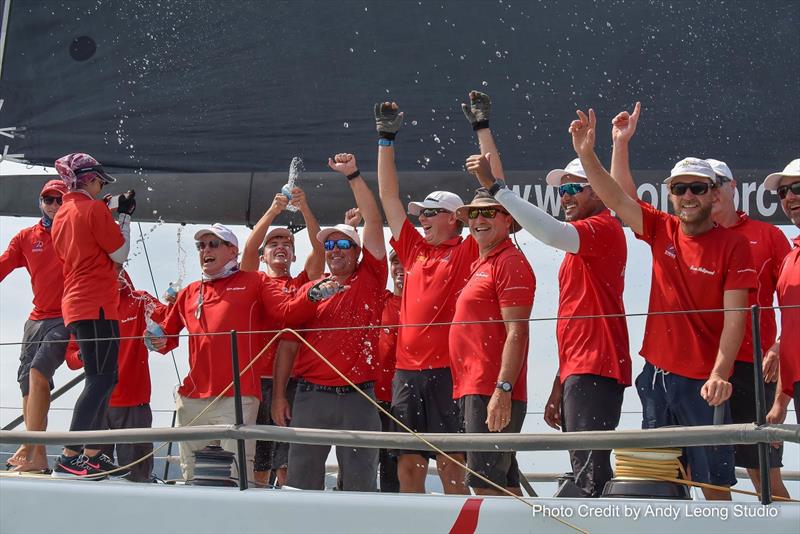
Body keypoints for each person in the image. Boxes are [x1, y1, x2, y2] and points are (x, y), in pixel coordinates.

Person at [572, 109, 757, 500]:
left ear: (714, 193)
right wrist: (593, 153)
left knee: (712, 486)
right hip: (656, 378)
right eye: (680, 188)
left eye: (698, 188)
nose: (688, 196)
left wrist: (720, 373)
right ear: (670, 194)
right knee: (659, 483)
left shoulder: (734, 244)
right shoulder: (662, 228)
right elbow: (616, 196)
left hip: (703, 383)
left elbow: (735, 316)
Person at [611, 106, 790, 497]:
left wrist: (778, 351)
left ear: (726, 188)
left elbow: (788, 302)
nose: (691, 193)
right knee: (684, 472)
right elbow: (624, 201)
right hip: (698, 370)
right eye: (681, 188)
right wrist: (618, 146)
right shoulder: (673, 230)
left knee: (760, 471)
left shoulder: (764, 235)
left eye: (708, 183)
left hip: (749, 370)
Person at [463, 91, 631, 498]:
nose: (566, 194)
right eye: (562, 189)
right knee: (583, 472)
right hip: (581, 368)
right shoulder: (583, 243)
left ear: (597, 191)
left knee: (590, 478)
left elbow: (542, 226)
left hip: (597, 368)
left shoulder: (602, 228)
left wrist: (497, 188)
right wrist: (559, 381)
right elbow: (577, 318)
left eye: (575, 187)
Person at [147, 223, 344, 482]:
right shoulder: (190, 291)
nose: (205, 249)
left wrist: (313, 294)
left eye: (213, 244)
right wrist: (153, 338)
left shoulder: (254, 281)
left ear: (232, 251)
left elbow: (287, 312)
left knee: (239, 475)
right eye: (201, 245)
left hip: (237, 397)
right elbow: (167, 337)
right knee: (192, 477)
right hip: (192, 397)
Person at [375, 101, 475, 495]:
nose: (423, 219)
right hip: (406, 372)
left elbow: (493, 207)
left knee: (453, 463)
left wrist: (481, 129)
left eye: (432, 213)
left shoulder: (467, 250)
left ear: (456, 218)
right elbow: (389, 196)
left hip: (447, 372)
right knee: (408, 462)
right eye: (422, 213)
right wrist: (386, 138)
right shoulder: (414, 249)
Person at [274, 153, 387, 492]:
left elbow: (374, 219)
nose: (335, 250)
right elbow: (287, 339)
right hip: (311, 398)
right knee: (300, 488)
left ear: (357, 251)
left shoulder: (371, 278)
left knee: (361, 487)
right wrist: (279, 396)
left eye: (343, 244)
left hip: (359, 398)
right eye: (329, 245)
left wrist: (353, 176)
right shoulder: (310, 289)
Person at [50, 153, 135, 479]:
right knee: (101, 379)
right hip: (97, 304)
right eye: (99, 181)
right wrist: (123, 217)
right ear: (88, 179)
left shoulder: (63, 213)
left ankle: (92, 454)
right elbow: (120, 252)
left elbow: (89, 217)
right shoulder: (94, 210)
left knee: (103, 377)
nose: (102, 187)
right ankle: (71, 456)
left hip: (77, 304)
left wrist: (111, 208)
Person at [449, 188, 535, 495]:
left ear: (508, 220)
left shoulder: (509, 261)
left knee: (486, 486)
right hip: (476, 388)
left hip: (491, 389)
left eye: (488, 212)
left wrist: (503, 390)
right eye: (473, 213)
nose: (479, 219)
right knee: (503, 485)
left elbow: (518, 331)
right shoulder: (483, 262)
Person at [240, 186, 324, 487]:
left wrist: (305, 208)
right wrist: (273, 211)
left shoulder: (303, 282)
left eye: (287, 242)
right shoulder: (254, 282)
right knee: (259, 461)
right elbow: (248, 250)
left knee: (287, 461)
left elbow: (321, 250)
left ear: (293, 253)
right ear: (264, 256)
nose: (280, 246)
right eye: (274, 242)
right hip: (257, 380)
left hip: (294, 381)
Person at [66, 268, 173, 482]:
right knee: (93, 476)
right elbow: (70, 359)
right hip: (98, 405)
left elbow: (169, 318)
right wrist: (84, 354)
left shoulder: (140, 299)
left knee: (137, 476)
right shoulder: (88, 308)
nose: (114, 275)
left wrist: (176, 301)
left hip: (134, 403)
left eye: (117, 270)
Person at [0, 179, 70, 472]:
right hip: (36, 318)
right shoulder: (26, 237)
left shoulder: (78, 233)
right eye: (48, 199)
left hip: (67, 316)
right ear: (41, 202)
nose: (54, 205)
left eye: (59, 199)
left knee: (39, 372)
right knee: (26, 383)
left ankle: (29, 444)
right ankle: (37, 457)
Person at [764, 159, 800, 424]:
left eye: (797, 187)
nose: (789, 197)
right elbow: (793, 331)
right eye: (783, 192)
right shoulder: (791, 258)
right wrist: (779, 403)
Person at [376, 248, 404, 493]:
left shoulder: (429, 304)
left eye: (406, 261)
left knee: (395, 472)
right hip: (373, 398)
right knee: (358, 465)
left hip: (405, 401)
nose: (401, 267)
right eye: (395, 261)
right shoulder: (380, 300)